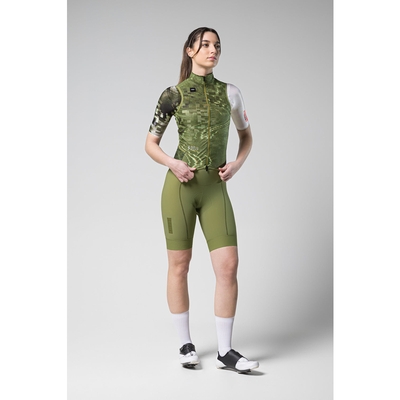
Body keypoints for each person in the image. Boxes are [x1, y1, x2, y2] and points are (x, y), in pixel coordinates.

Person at [145, 27, 259, 373]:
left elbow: (246, 136)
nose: (213, 50)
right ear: (190, 50)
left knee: (228, 266)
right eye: (206, 44)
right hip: (180, 187)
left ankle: (225, 351)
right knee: (179, 266)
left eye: (217, 46)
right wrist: (173, 163)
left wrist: (236, 164)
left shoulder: (231, 92)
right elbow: (150, 144)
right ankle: (185, 345)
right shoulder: (173, 95)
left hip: (214, 189)